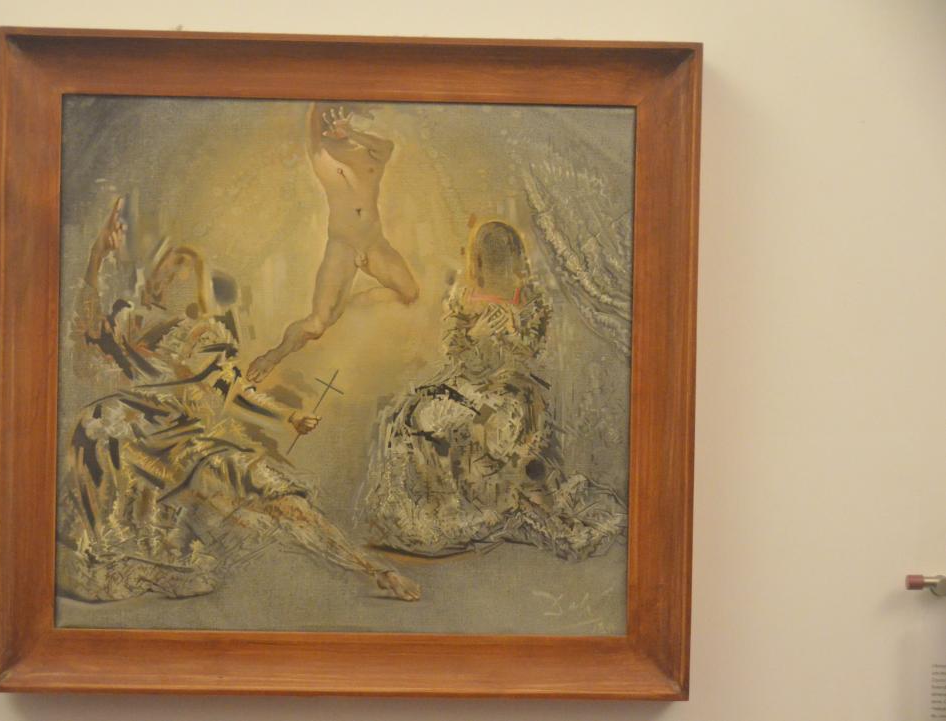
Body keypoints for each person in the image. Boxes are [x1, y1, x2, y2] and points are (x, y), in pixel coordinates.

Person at [57, 197, 421, 603]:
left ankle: (375, 570)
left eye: (180, 274)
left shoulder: (203, 336)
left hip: (188, 449)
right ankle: (116, 550)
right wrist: (96, 257)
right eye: (165, 272)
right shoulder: (129, 325)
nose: (167, 281)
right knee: (100, 427)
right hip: (136, 446)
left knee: (280, 498)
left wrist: (289, 416)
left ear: (194, 289)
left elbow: (237, 391)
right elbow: (84, 341)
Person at [362, 219, 627, 560]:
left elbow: (533, 356)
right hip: (466, 384)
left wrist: (513, 333)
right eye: (488, 259)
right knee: (419, 412)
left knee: (481, 422)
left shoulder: (531, 300)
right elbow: (453, 350)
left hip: (512, 391)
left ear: (515, 259)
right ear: (479, 261)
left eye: (503, 258)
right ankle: (440, 509)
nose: (496, 266)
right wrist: (477, 334)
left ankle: (486, 507)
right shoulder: (463, 296)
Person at [247, 104, 420, 383]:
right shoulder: (322, 154)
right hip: (342, 245)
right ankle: (273, 356)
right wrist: (317, 110)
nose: (332, 126)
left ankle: (351, 304)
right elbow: (312, 126)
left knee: (410, 293)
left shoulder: (370, 153)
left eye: (338, 119)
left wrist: (350, 132)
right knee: (317, 324)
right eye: (328, 121)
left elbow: (387, 148)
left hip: (374, 242)